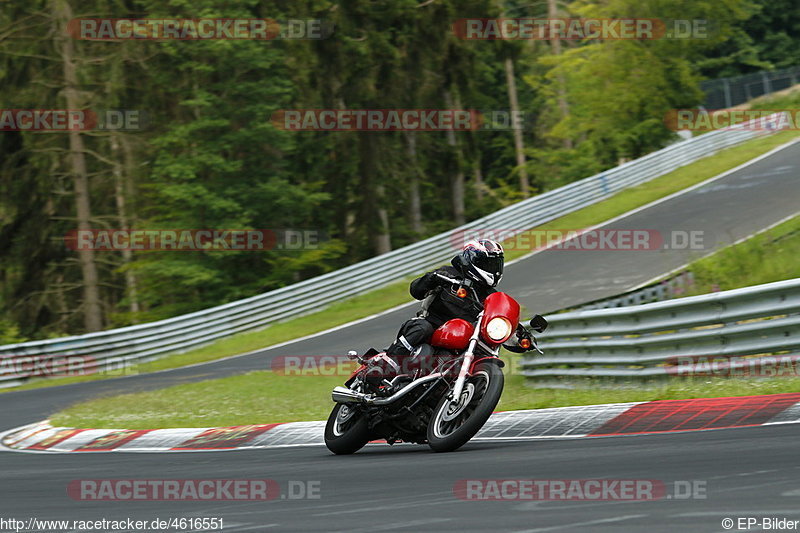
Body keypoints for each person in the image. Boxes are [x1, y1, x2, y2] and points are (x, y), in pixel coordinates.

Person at [365, 239, 532, 388]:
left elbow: (498, 320)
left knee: (477, 355)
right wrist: (432, 278)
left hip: (461, 341)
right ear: (471, 260)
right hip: (429, 327)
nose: (493, 270)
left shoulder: (490, 296)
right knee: (422, 328)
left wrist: (520, 335)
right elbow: (416, 290)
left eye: (496, 265)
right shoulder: (449, 274)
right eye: (488, 264)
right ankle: (386, 366)